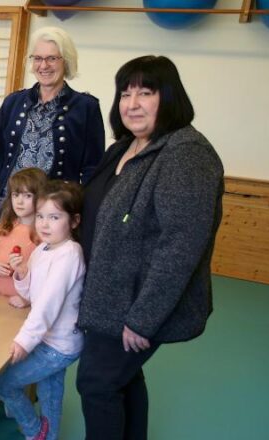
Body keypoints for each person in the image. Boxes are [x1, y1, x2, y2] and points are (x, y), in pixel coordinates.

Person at [76, 55, 224, 440]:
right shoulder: (126, 147)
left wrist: (145, 317)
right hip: (108, 295)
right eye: (125, 93)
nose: (132, 103)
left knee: (96, 383)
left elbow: (180, 245)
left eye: (145, 92)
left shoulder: (185, 154)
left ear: (169, 97)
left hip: (134, 304)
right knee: (122, 380)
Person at [0, 26, 104, 231]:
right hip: (9, 209)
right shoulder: (13, 102)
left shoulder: (85, 107)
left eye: (51, 58)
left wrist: (81, 206)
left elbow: (93, 167)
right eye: (38, 58)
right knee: (0, 261)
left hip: (54, 217)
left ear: (65, 61)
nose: (44, 65)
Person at [0, 180, 86, 440]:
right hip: (51, 340)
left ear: (74, 221)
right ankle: (49, 436)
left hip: (59, 345)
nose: (44, 224)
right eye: (42, 216)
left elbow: (46, 306)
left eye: (54, 217)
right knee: (50, 394)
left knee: (4, 383)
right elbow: (29, 294)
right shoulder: (43, 249)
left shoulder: (69, 254)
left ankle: (35, 432)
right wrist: (22, 273)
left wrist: (24, 342)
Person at [0, 167, 46, 298]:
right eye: (16, 195)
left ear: (41, 198)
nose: (19, 201)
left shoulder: (44, 234)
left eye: (27, 196)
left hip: (26, 301)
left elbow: (46, 276)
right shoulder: (2, 227)